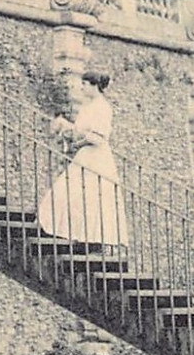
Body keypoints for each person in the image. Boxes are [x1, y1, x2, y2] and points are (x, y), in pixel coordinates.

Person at [37, 70, 129, 248]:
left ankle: (91, 240)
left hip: (96, 158)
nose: (82, 87)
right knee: (70, 192)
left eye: (85, 84)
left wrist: (76, 145)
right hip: (85, 155)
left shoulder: (103, 108)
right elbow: (82, 131)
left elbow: (97, 137)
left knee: (91, 197)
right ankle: (72, 234)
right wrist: (66, 126)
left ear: (95, 86)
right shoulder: (88, 107)